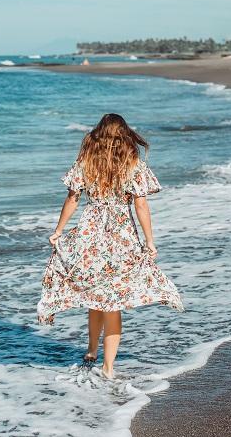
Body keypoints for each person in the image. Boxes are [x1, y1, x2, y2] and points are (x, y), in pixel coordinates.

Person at [36, 113, 184, 380]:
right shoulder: (133, 163)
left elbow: (72, 199)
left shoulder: (86, 161)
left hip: (89, 233)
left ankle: (91, 351)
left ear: (99, 133)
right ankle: (108, 367)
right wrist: (150, 241)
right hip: (121, 235)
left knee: (95, 293)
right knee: (112, 301)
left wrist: (58, 231)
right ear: (125, 134)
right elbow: (140, 205)